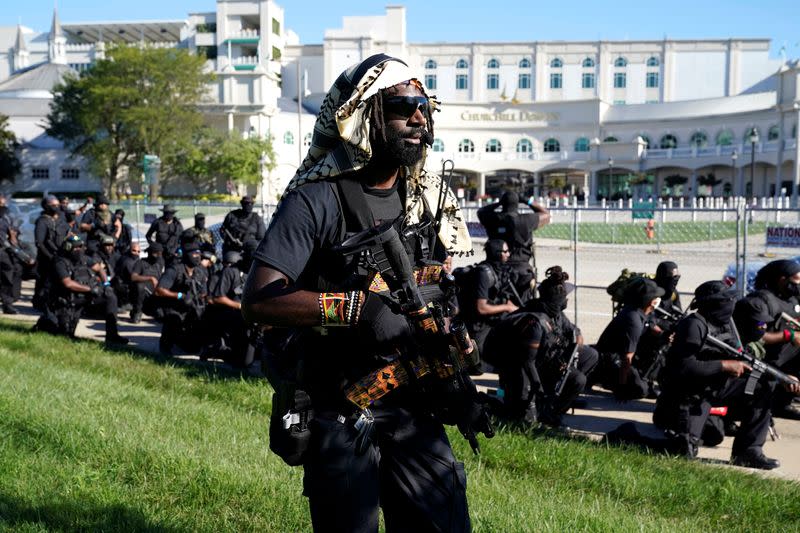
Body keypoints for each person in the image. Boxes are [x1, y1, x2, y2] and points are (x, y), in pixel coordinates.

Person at [242, 54, 478, 532]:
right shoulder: (316, 198)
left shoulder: (427, 199)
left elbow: (430, 292)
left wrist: (456, 360)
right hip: (340, 405)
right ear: (365, 115)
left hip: (414, 402)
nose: (418, 116)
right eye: (403, 105)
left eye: (424, 106)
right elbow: (261, 300)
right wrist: (357, 309)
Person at [654, 281, 800, 469]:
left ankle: (748, 451)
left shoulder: (726, 323)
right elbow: (684, 368)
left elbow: (745, 357)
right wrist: (724, 365)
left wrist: (782, 377)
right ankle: (625, 437)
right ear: (712, 303)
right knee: (681, 452)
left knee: (762, 387)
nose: (731, 303)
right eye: (726, 300)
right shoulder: (694, 325)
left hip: (717, 387)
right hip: (690, 394)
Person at [733, 259, 800, 419]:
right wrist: (790, 335)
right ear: (782, 280)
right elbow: (759, 337)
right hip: (761, 356)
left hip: (783, 353)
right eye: (796, 280)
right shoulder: (760, 302)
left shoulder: (791, 299)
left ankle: (782, 404)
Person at [35, 235, 128, 345]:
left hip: (83, 296)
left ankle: (112, 335)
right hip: (65, 300)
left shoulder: (83, 259)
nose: (78, 250)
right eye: (76, 248)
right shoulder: (60, 262)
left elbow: (99, 268)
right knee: (64, 335)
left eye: (80, 247)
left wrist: (106, 284)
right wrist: (90, 289)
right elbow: (68, 283)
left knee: (110, 297)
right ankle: (44, 324)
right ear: (68, 248)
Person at [595, 277, 665, 401]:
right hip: (611, 360)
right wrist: (622, 387)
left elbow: (651, 325)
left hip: (621, 355)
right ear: (650, 301)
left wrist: (663, 334)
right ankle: (610, 382)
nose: (658, 299)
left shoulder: (638, 310)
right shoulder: (633, 321)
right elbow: (626, 358)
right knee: (640, 389)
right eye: (655, 297)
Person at [477, 190, 550, 299]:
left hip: (496, 270)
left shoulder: (493, 218)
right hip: (521, 270)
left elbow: (481, 211)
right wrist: (527, 201)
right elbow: (546, 214)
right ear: (517, 204)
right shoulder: (526, 220)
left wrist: (498, 203)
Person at [634, 261, 683, 397]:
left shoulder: (673, 294)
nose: (674, 283)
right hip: (644, 333)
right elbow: (645, 319)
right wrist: (662, 333)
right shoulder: (650, 290)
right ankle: (648, 380)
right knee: (661, 345)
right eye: (671, 279)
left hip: (664, 330)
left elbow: (678, 315)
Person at [462, 238, 519, 354]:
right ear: (497, 253)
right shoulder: (483, 273)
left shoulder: (497, 269)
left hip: (490, 320)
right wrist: (506, 307)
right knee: (480, 366)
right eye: (505, 251)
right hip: (479, 325)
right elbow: (481, 308)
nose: (508, 254)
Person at [155, 242, 208, 354]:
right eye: (194, 254)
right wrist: (179, 295)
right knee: (173, 320)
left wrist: (197, 299)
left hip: (191, 308)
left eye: (199, 254)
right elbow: (159, 290)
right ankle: (166, 344)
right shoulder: (174, 270)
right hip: (173, 307)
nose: (198, 257)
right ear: (187, 255)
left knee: (193, 348)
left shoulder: (200, 272)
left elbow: (204, 293)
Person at [204, 251, 252, 366]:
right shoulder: (217, 277)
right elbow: (212, 299)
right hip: (222, 313)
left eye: (231, 264)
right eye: (227, 264)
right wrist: (239, 306)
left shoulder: (243, 275)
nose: (228, 267)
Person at [33, 195, 69, 311]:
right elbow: (40, 243)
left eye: (57, 205)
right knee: (43, 281)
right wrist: (50, 256)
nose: (56, 207)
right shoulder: (42, 221)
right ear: (46, 206)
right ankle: (39, 303)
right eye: (53, 205)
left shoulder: (61, 220)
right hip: (46, 258)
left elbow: (69, 234)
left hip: (60, 256)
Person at [129, 242, 164, 323]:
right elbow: (133, 277)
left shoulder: (160, 263)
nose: (158, 256)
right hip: (142, 295)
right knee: (139, 286)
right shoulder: (141, 263)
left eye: (160, 253)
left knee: (161, 316)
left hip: (154, 295)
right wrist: (150, 278)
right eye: (156, 253)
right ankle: (137, 312)